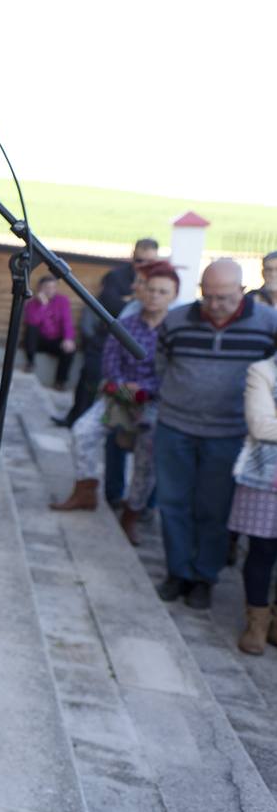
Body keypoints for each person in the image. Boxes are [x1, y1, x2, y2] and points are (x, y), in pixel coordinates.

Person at [154, 259, 277, 610]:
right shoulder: (177, 321)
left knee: (214, 509)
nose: (215, 305)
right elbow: (161, 365)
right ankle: (178, 572)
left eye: (224, 297)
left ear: (241, 290)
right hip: (175, 426)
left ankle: (204, 577)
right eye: (208, 297)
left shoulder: (268, 324)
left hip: (229, 433)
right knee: (173, 503)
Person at [50, 262, 179, 545]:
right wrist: (122, 388)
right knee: (83, 430)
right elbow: (110, 361)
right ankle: (85, 490)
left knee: (149, 453)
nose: (155, 296)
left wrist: (144, 391)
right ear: (142, 291)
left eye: (163, 291)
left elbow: (174, 373)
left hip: (154, 403)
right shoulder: (125, 324)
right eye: (151, 289)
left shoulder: (176, 330)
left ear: (173, 295)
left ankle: (131, 514)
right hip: (117, 396)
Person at [58, 238, 158, 428]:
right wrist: (136, 301)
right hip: (106, 340)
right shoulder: (116, 276)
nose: (144, 266)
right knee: (89, 379)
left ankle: (111, 425)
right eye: (139, 260)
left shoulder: (157, 281)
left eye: (149, 262)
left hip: (135, 349)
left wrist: (130, 299)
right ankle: (76, 419)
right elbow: (112, 305)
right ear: (132, 257)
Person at [229, 353, 277, 654]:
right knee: (262, 549)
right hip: (266, 475)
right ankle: (256, 623)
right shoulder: (263, 370)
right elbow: (261, 426)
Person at [20, 276, 76, 388]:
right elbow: (33, 321)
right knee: (31, 329)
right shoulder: (32, 304)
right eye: (47, 287)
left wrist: (68, 338)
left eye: (53, 287)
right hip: (38, 342)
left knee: (70, 350)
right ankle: (30, 363)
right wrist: (43, 305)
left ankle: (60, 382)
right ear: (40, 288)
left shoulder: (62, 301)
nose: (50, 290)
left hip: (55, 340)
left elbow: (67, 321)